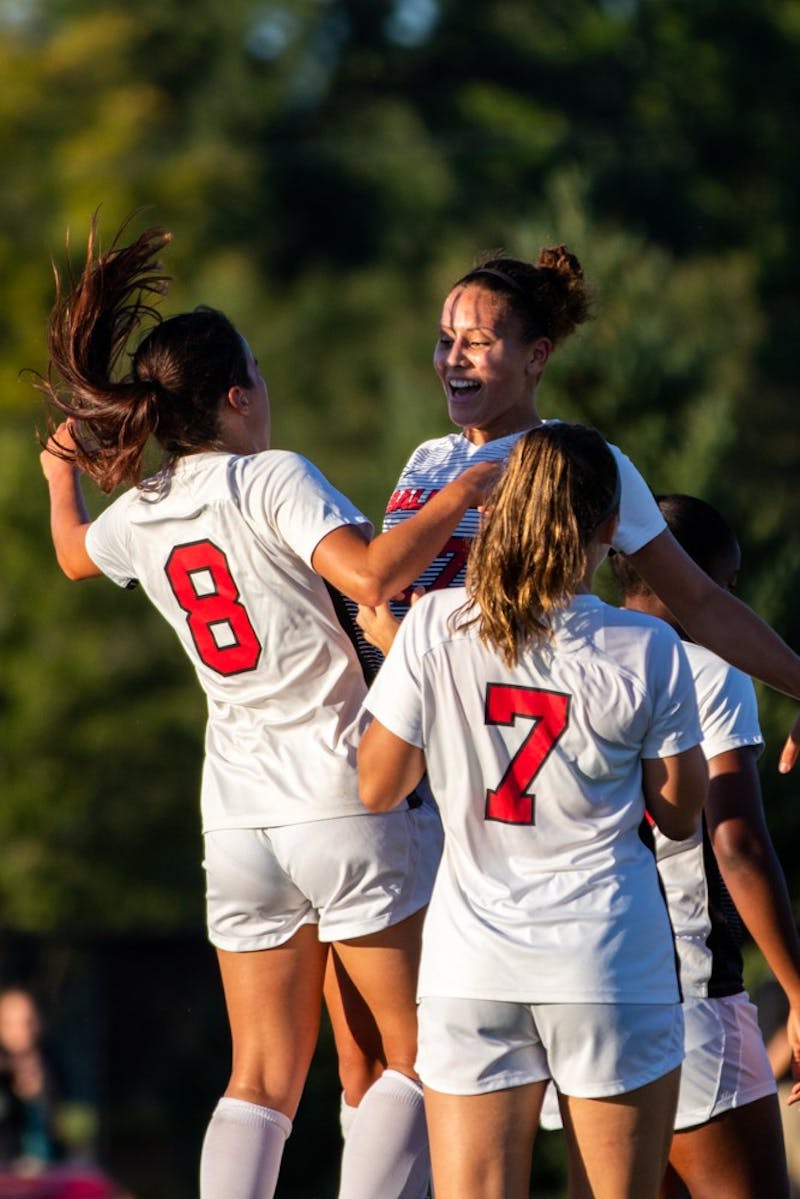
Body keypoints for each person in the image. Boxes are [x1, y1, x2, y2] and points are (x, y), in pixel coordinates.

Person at [35, 218, 498, 1199]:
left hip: (237, 814)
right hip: (343, 791)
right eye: (259, 373)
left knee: (258, 1081)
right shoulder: (269, 475)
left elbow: (74, 554)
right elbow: (372, 572)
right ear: (237, 395)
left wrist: (57, 478)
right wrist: (459, 492)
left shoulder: (148, 508)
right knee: (418, 1057)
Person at [357, 422, 708, 1199]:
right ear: (610, 529)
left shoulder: (436, 626)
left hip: (470, 960)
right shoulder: (646, 644)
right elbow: (681, 815)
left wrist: (405, 661)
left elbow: (377, 786)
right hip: (608, 957)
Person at [611, 494, 800, 1199]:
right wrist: (798, 987)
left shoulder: (565, 656)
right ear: (692, 576)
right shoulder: (710, 670)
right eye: (727, 583)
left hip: (580, 994)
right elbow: (736, 841)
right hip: (686, 994)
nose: (733, 603)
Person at [0, 988, 63, 1170]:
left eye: (27, 1021)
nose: (21, 1030)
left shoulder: (56, 1067)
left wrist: (42, 1097)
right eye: (9, 1023)